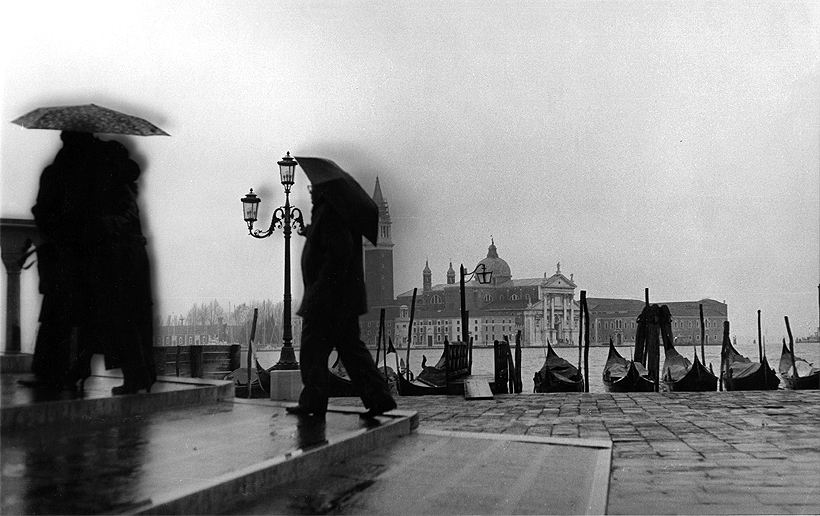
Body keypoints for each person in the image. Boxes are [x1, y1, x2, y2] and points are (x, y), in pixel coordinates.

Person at [26, 131, 155, 394]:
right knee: (94, 316)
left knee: (93, 315)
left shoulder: (93, 178)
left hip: (107, 258)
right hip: (103, 258)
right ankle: (82, 371)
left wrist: (84, 226)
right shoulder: (101, 177)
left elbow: (114, 219)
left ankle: (76, 372)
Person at [287, 182, 396, 420]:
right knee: (351, 351)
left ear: (323, 193)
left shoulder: (331, 213)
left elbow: (338, 253)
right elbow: (332, 244)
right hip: (341, 299)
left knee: (312, 351)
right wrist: (311, 233)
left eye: (313, 189)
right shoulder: (335, 212)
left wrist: (321, 287)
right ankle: (379, 398)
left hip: (328, 299)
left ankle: (313, 401)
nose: (310, 192)